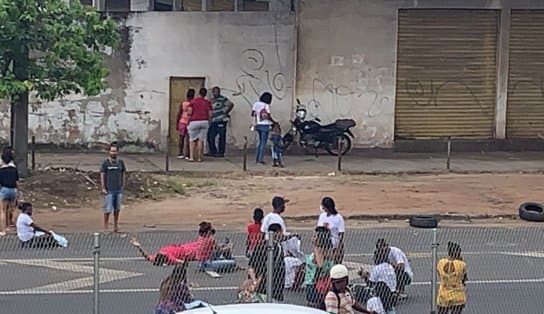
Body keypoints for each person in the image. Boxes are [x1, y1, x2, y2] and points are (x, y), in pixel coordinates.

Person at [132, 221, 214, 266]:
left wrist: (139, 246)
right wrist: (139, 247)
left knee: (203, 243)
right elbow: (181, 262)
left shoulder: (163, 257)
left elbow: (147, 256)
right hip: (186, 251)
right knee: (205, 246)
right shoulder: (167, 256)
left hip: (184, 249)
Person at [246, 223, 286, 302]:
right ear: (277, 233)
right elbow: (269, 268)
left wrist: (254, 282)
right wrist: (258, 282)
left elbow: (251, 266)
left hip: (258, 288)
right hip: (273, 288)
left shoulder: (260, 245)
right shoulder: (277, 247)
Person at [305, 226, 334, 309]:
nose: (312, 238)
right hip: (324, 283)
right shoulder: (329, 250)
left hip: (313, 283)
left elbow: (320, 265)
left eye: (314, 236)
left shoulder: (318, 250)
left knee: (313, 307)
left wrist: (315, 278)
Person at [100, 142, 126, 233]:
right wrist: (103, 187)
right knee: (107, 209)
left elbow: (123, 174)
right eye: (112, 151)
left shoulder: (120, 163)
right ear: (109, 152)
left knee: (117, 209)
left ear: (117, 152)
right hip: (109, 190)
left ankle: (115, 226)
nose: (113, 153)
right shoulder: (105, 163)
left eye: (115, 151)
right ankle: (106, 227)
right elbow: (102, 175)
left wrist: (122, 185)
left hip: (118, 190)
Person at [437, 242, 467, 314]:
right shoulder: (462, 264)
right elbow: (464, 279)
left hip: (443, 294)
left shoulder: (441, 262)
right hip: (457, 294)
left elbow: (439, 275)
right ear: (457, 252)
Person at [187, 87, 213, 162]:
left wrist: (188, 121)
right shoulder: (207, 102)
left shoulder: (193, 102)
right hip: (204, 122)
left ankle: (191, 157)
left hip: (194, 121)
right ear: (205, 94)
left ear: (199, 93)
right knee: (201, 140)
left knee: (192, 140)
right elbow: (210, 114)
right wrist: (209, 121)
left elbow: (189, 112)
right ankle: (199, 158)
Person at [207, 87, 234, 158]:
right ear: (213, 92)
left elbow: (231, 104)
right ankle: (213, 151)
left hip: (221, 120)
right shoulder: (211, 100)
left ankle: (221, 152)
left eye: (217, 91)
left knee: (221, 137)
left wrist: (226, 111)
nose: (216, 93)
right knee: (210, 136)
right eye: (215, 92)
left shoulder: (223, 99)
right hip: (213, 121)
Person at [317, 197, 345, 264]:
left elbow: (341, 234)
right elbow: (318, 229)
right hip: (323, 243)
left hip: (333, 243)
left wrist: (338, 248)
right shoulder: (322, 216)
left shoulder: (338, 218)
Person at [252, 92, 274, 164]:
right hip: (265, 125)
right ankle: (260, 159)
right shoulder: (266, 105)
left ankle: (257, 158)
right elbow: (268, 116)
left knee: (260, 142)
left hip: (258, 124)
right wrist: (273, 122)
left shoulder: (256, 104)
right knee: (263, 143)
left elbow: (253, 113)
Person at [0, 147, 18, 236]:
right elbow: (16, 180)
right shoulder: (14, 169)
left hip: (4, 190)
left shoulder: (1, 170)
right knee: (12, 210)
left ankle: (3, 230)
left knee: (2, 211)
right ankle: (14, 228)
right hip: (13, 190)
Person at [176, 89, 194, 159]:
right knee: (189, 138)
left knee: (181, 137)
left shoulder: (183, 103)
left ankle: (180, 153)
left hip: (182, 121)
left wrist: (177, 123)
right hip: (190, 122)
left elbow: (179, 113)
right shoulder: (193, 103)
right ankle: (187, 154)